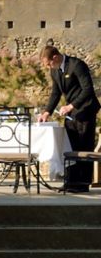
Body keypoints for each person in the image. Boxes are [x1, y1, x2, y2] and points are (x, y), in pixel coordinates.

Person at [37, 46, 100, 192]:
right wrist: (47, 112)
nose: (48, 67)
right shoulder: (55, 70)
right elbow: (56, 92)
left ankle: (82, 184)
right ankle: (70, 182)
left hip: (85, 111)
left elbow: (88, 90)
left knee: (84, 147)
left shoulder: (77, 65)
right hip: (71, 114)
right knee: (70, 147)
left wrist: (71, 106)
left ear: (55, 57)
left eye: (48, 64)